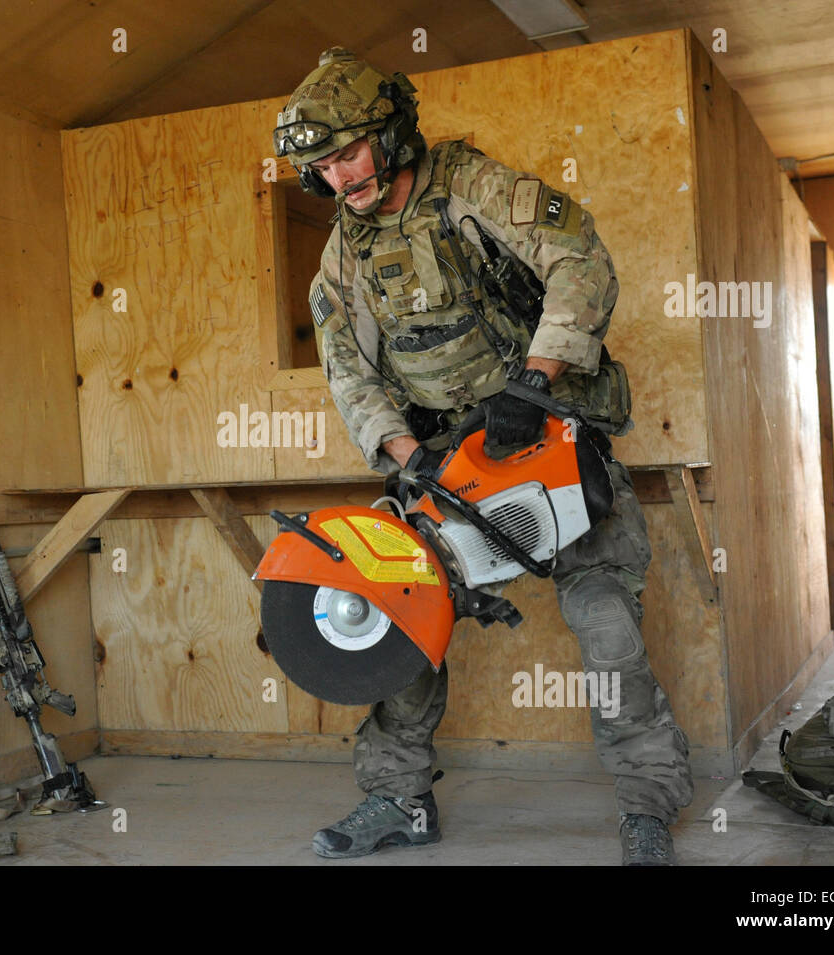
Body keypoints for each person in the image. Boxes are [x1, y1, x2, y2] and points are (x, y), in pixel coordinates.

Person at [273, 48, 694, 865]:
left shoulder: (472, 187)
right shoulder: (345, 253)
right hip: (440, 462)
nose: (338, 177)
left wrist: (532, 383)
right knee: (393, 609)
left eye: (349, 152)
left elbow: (582, 262)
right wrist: (407, 455)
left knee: (604, 619)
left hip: (545, 436)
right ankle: (398, 800)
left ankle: (647, 804)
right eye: (320, 166)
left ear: (390, 134)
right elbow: (348, 371)